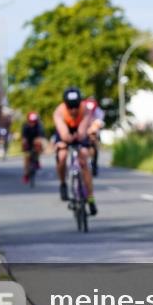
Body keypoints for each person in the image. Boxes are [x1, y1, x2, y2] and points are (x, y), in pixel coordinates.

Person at [53, 87, 97, 215]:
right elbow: (63, 133)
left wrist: (80, 136)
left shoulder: (86, 110)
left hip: (79, 132)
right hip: (65, 131)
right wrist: (65, 140)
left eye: (76, 106)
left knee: (83, 159)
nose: (73, 110)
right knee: (62, 155)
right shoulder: (59, 112)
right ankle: (63, 184)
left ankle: (90, 198)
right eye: (70, 107)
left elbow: (83, 131)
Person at [83, 97, 106, 176]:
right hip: (84, 130)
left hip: (94, 131)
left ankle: (94, 165)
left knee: (94, 144)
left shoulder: (98, 112)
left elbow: (98, 123)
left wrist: (92, 129)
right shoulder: (82, 110)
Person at [21, 111, 45, 184]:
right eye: (31, 121)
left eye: (34, 121)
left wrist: (38, 141)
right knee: (27, 157)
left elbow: (41, 136)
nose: (32, 123)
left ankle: (37, 159)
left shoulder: (39, 126)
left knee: (38, 142)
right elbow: (24, 138)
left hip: (35, 142)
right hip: (28, 142)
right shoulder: (25, 126)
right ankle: (26, 174)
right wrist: (25, 144)